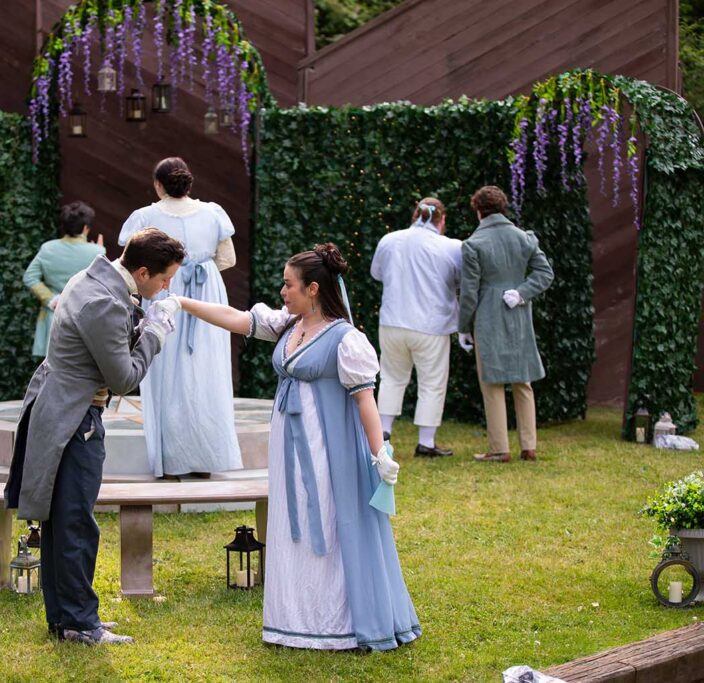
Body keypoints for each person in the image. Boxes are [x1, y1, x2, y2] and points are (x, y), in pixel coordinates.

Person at [178, 243, 421, 651]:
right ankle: (291, 618)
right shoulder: (289, 325)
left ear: (312, 289)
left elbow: (366, 401)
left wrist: (380, 454)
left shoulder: (346, 340)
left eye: (288, 285)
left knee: (323, 519)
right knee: (292, 522)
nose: (282, 292)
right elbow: (237, 320)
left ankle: (334, 621)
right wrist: (183, 303)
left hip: (327, 449)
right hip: (288, 447)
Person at [4, 228, 186, 646]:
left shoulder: (93, 277)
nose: (166, 287)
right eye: (164, 279)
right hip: (74, 417)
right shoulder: (104, 301)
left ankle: (68, 619)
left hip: (61, 406)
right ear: (142, 271)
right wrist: (155, 335)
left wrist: (141, 320)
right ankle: (81, 624)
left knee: (63, 521)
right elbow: (123, 379)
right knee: (76, 524)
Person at [119, 157, 241, 478]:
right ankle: (206, 459)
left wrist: (175, 273)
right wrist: (200, 268)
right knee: (207, 371)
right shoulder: (213, 213)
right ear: (189, 183)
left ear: (159, 184)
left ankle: (170, 462)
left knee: (163, 372)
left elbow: (128, 259)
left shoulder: (145, 217)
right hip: (207, 296)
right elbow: (227, 258)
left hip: (164, 288)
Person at [458, 186, 554, 463]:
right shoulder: (523, 238)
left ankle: (500, 448)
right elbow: (545, 273)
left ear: (479, 210)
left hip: (488, 314)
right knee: (522, 379)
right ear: (503, 208)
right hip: (518, 312)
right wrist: (522, 292)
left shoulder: (474, 244)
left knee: (492, 382)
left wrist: (463, 325)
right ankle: (529, 445)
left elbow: (469, 291)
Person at [370, 197, 462, 457]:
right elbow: (461, 280)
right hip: (431, 325)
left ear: (414, 216)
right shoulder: (451, 246)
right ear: (441, 220)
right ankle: (426, 442)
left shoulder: (389, 240)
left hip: (392, 321)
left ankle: (384, 431)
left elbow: (376, 273)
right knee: (432, 383)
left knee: (391, 377)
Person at [23, 201, 105, 357]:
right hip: (83, 317)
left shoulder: (48, 248)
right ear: (85, 228)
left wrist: (51, 299)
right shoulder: (97, 252)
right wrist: (99, 252)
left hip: (52, 316)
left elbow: (29, 277)